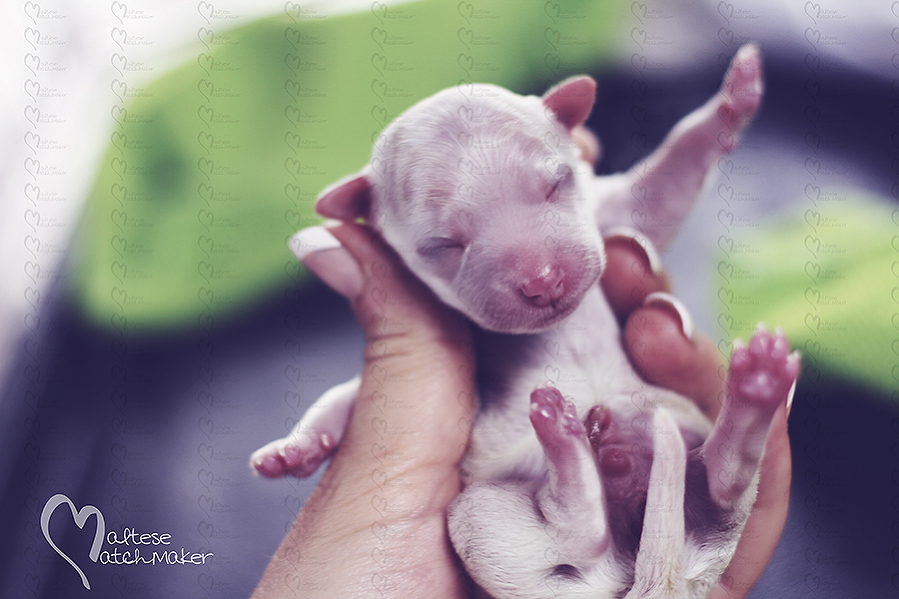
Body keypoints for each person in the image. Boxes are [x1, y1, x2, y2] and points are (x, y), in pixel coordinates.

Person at [251, 222, 792, 599]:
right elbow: (371, 400)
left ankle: (582, 503)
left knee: (479, 523)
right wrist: (312, 433)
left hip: (575, 552)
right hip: (582, 547)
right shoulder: (443, 323)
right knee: (720, 493)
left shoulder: (568, 228)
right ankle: (737, 425)